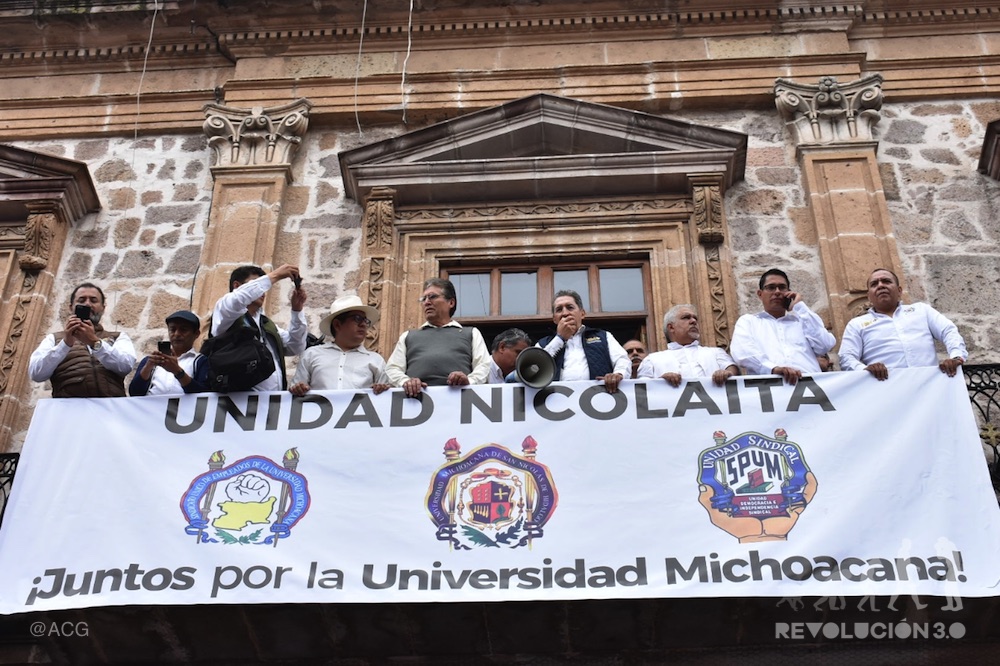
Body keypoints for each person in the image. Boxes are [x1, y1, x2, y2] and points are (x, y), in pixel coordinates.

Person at [839, 268, 967, 380]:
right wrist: (865, 370)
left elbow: (948, 331)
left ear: (899, 290)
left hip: (929, 385)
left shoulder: (921, 311)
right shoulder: (857, 324)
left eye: (886, 281)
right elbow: (846, 357)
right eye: (874, 284)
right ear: (869, 296)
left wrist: (956, 356)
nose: (880, 285)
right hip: (885, 388)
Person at [385, 278, 491, 397]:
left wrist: (469, 381)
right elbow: (392, 369)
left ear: (451, 303)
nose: (427, 302)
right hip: (415, 402)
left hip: (460, 402)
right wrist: (406, 382)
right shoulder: (408, 336)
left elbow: (484, 366)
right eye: (423, 299)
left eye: (432, 297)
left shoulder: (471, 333)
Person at [729, 268, 836, 385]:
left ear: (789, 292)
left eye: (782, 287)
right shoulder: (748, 322)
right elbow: (743, 352)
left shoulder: (802, 321)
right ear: (760, 294)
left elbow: (824, 345)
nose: (777, 292)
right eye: (771, 287)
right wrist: (773, 369)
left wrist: (800, 307)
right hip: (769, 387)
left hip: (809, 386)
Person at [29, 282, 136, 398]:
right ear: (71, 307)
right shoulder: (54, 339)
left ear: (103, 308)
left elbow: (125, 366)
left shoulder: (117, 337)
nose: (87, 304)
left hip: (110, 405)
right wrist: (65, 344)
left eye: (93, 300)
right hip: (69, 406)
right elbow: (36, 374)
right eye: (81, 300)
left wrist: (95, 342)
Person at [210, 264, 307, 391]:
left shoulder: (266, 324)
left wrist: (297, 311)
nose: (262, 291)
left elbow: (295, 346)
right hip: (236, 399)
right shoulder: (225, 310)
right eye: (256, 283)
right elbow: (236, 299)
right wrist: (275, 275)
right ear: (237, 286)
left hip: (273, 400)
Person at [289, 294, 390, 395]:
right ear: (337, 325)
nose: (363, 324)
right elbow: (295, 395)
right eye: (357, 318)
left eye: (365, 320)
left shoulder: (376, 360)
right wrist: (298, 389)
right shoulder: (311, 355)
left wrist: (381, 389)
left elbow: (387, 397)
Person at [536, 289, 631, 393]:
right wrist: (560, 339)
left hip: (599, 398)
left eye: (570, 307)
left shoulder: (604, 336)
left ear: (582, 313)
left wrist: (618, 374)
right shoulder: (543, 344)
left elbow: (622, 360)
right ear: (554, 319)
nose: (565, 313)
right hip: (555, 400)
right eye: (559, 310)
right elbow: (534, 369)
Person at [638, 304, 739, 387]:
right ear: (671, 327)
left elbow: (732, 369)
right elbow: (642, 390)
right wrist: (661, 382)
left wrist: (726, 374)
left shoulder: (716, 353)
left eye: (695, 318)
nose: (693, 321)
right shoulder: (652, 360)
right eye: (686, 317)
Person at [129, 310, 210, 396]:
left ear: (196, 334)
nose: (177, 334)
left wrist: (178, 372)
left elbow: (204, 394)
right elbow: (134, 393)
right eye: (172, 329)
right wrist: (148, 367)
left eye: (183, 330)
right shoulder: (150, 361)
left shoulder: (201, 361)